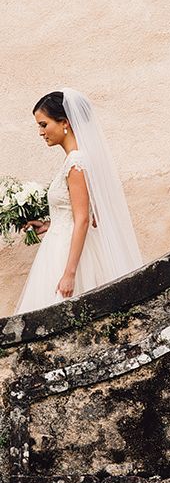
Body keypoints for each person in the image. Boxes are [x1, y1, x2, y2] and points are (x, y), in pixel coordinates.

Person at [14, 88, 142, 314]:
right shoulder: (73, 160)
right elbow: (75, 213)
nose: (40, 132)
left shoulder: (76, 162)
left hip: (69, 254)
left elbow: (83, 219)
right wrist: (48, 225)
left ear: (64, 122)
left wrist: (69, 273)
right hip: (59, 244)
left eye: (44, 125)